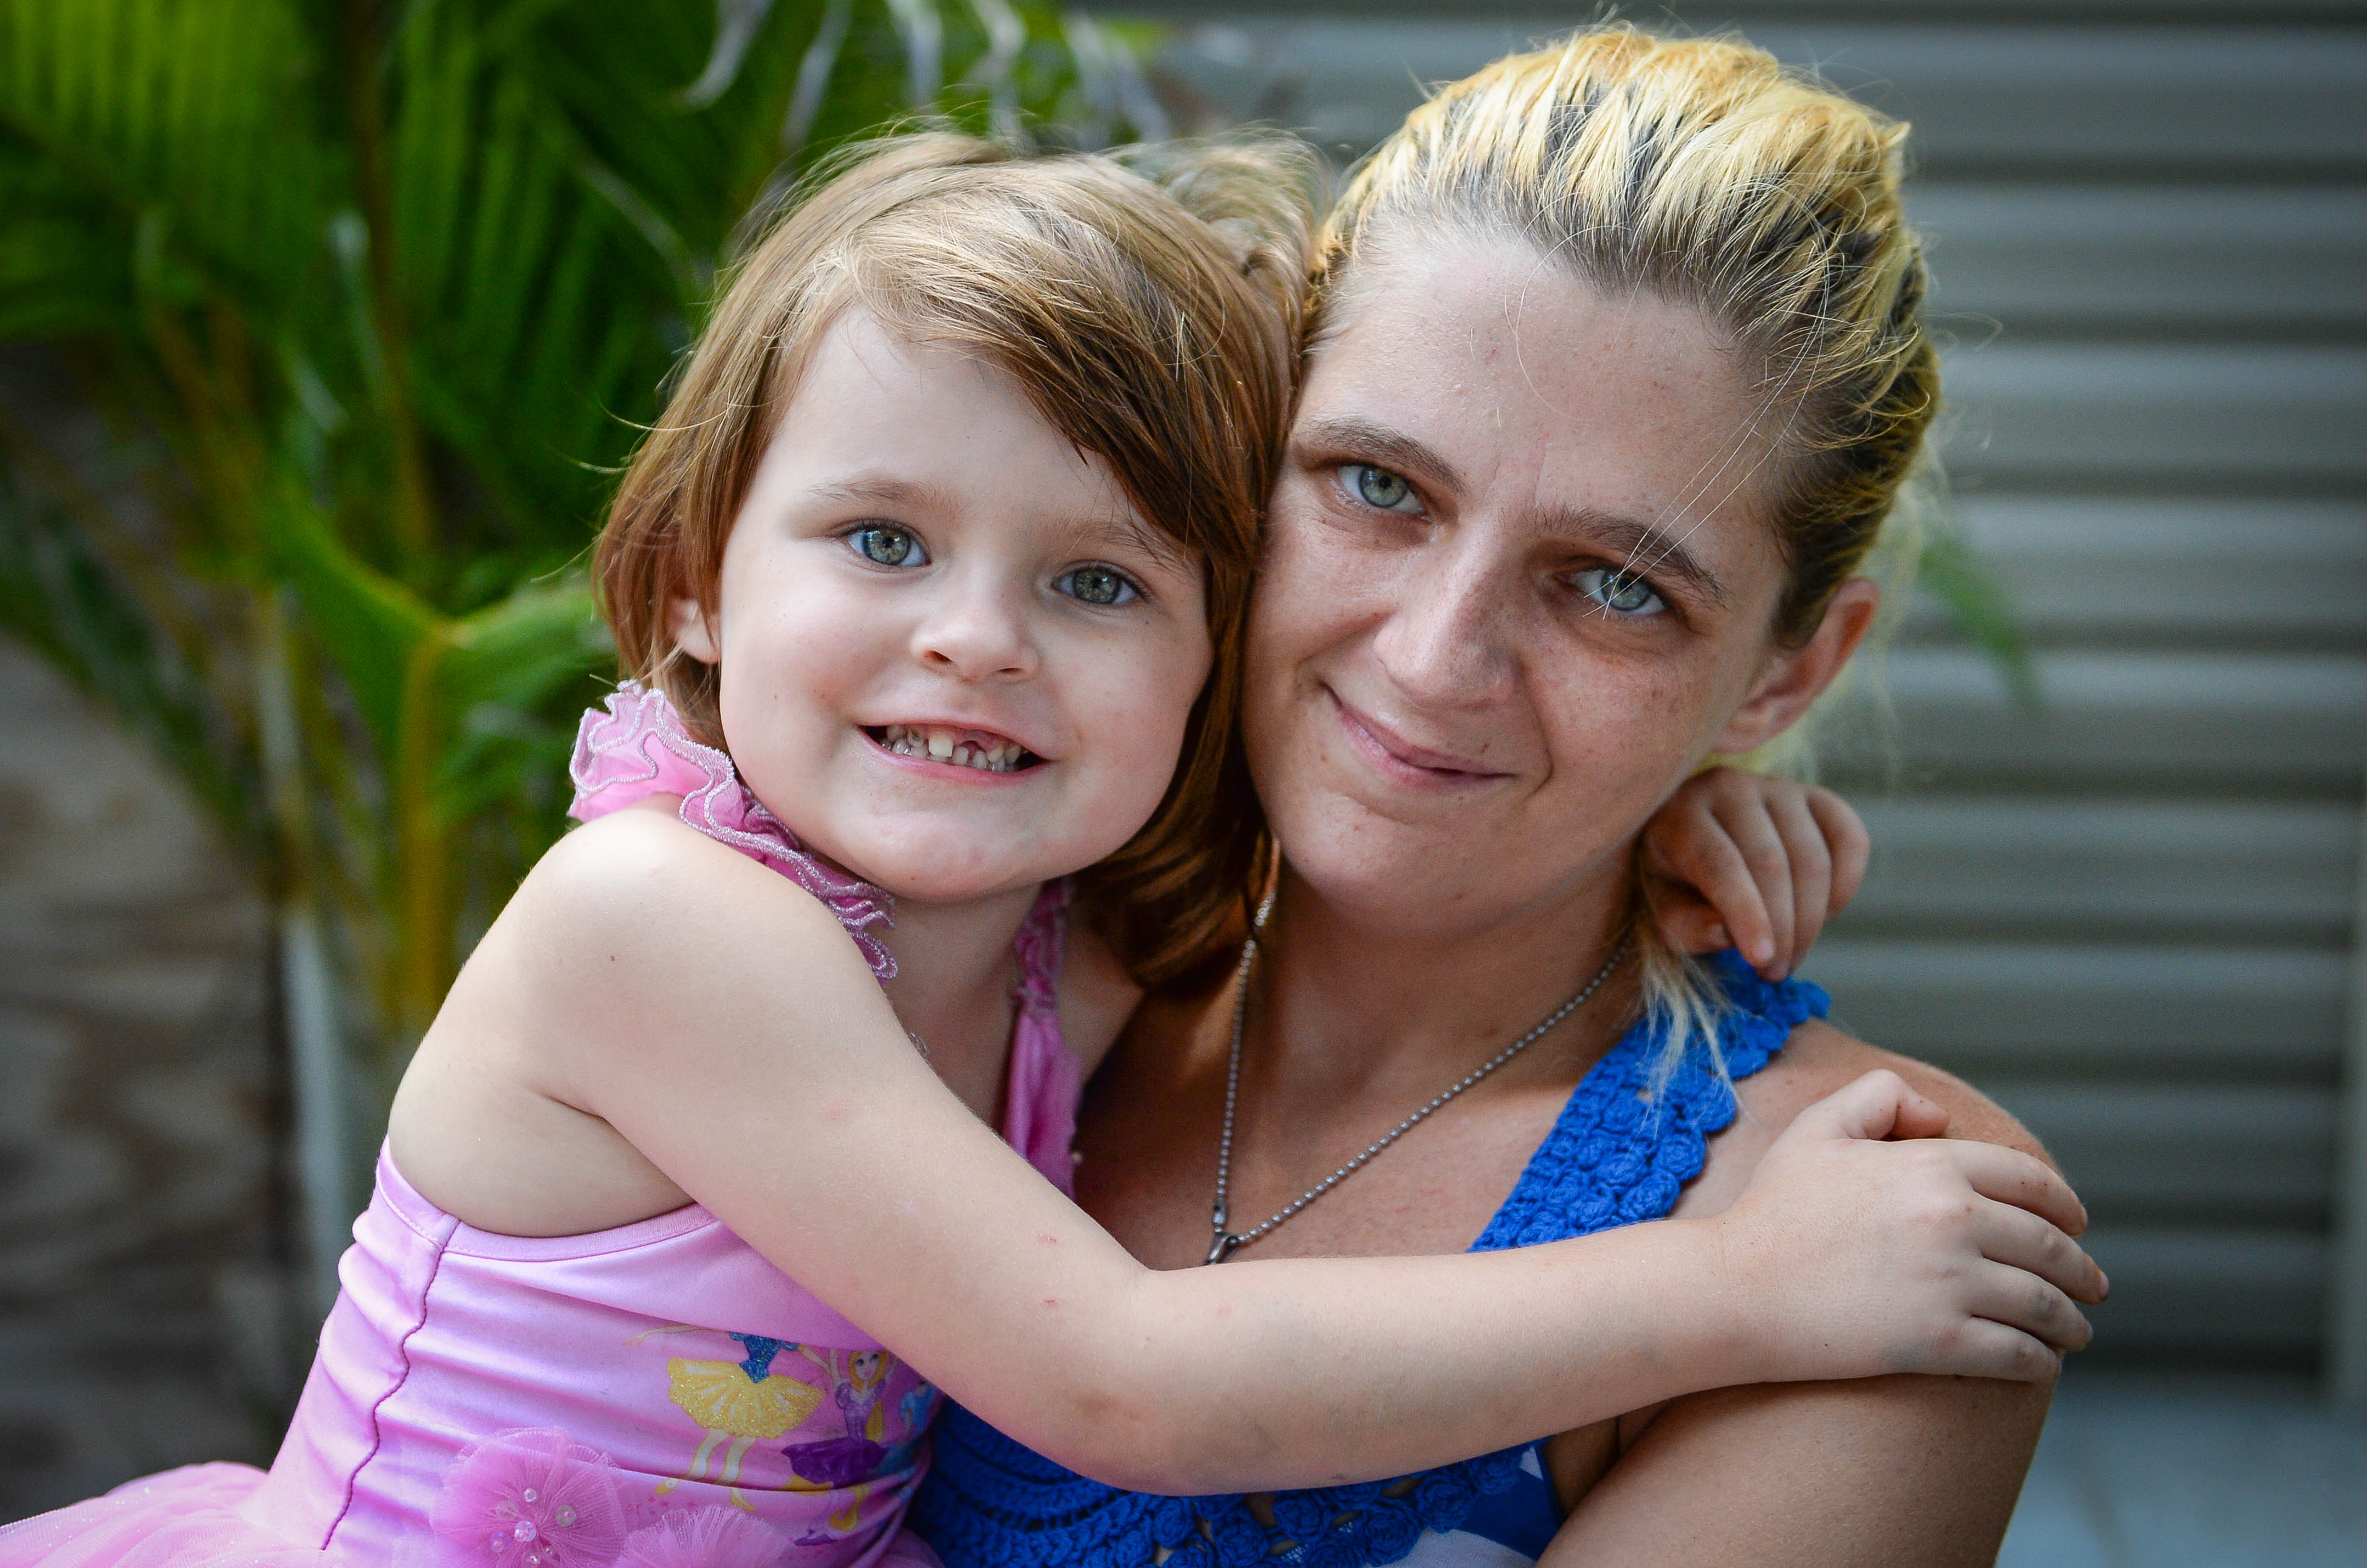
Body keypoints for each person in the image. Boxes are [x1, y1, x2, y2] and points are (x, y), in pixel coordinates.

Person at [0, 128, 2097, 1568]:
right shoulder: (665, 925)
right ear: (690, 578)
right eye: (1373, 488)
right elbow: (1124, 1378)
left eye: (1616, 592)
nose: (973, 638)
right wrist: (1730, 1287)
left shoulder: (1031, 940)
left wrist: (1631, 821)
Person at [914, 27, 2073, 1568]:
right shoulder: (988, 943)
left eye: (1614, 585)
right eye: (1380, 487)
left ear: (1786, 674)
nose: (1434, 657)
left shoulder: (1873, 1215)